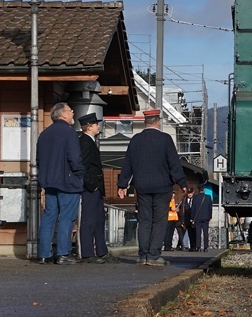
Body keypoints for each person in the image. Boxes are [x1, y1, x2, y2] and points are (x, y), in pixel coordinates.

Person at [117, 108, 185, 267]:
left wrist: (122, 185)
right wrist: (182, 183)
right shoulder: (165, 139)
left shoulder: (135, 140)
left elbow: (127, 164)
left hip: (141, 186)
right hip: (162, 187)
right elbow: (174, 164)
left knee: (145, 220)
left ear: (145, 122)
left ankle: (143, 255)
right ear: (158, 122)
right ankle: (154, 255)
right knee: (159, 221)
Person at [37, 102, 84, 264]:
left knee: (49, 216)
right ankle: (63, 253)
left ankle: (44, 254)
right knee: (67, 218)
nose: (73, 114)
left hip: (49, 182)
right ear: (63, 114)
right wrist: (80, 174)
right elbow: (75, 158)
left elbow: (39, 160)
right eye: (71, 111)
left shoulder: (44, 134)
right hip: (68, 181)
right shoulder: (69, 133)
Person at [76, 113, 111, 263]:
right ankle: (87, 253)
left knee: (98, 219)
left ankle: (102, 251)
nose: (99, 126)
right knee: (89, 219)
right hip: (91, 188)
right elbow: (82, 165)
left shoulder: (89, 141)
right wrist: (92, 184)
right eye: (96, 124)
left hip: (95, 188)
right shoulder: (84, 142)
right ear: (89, 127)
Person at [189, 184, 213, 252]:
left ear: (198, 190)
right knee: (205, 232)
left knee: (198, 232)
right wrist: (210, 216)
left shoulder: (195, 198)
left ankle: (198, 247)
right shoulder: (208, 197)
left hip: (198, 217)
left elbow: (193, 208)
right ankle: (206, 247)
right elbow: (210, 208)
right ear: (204, 190)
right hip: (206, 217)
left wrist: (192, 217)